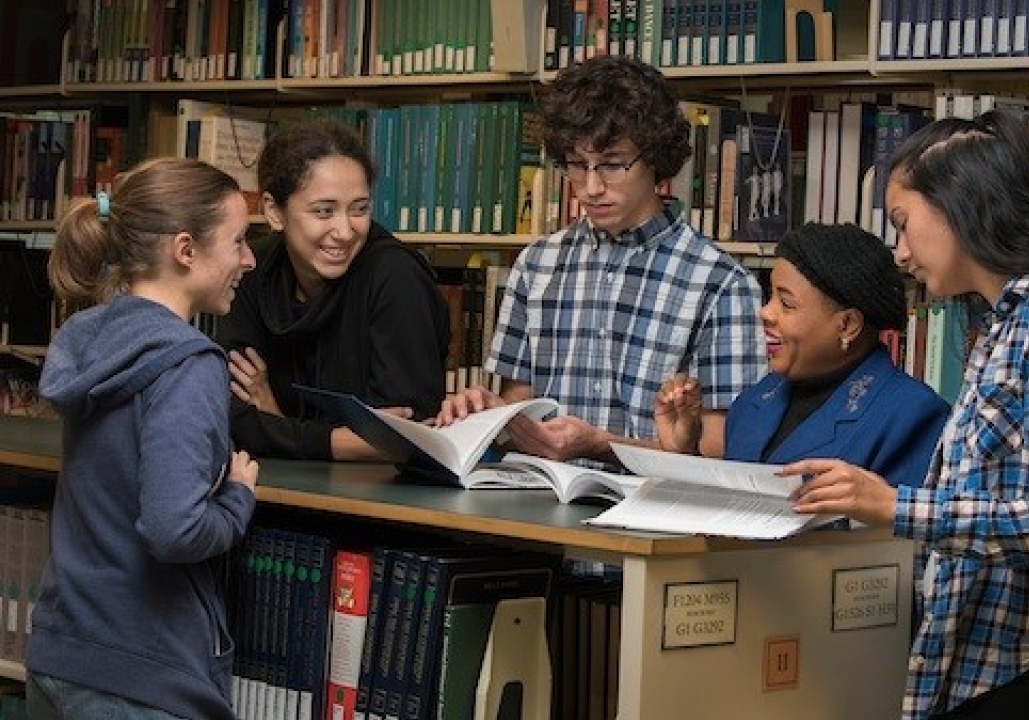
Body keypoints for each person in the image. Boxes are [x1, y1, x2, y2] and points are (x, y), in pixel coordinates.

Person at [786, 111, 1029, 720]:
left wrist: (895, 506)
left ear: (962, 206)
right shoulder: (1004, 326)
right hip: (979, 679)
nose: (901, 252)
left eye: (905, 224)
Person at [436, 55, 766, 464]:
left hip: (649, 515)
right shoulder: (536, 264)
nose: (590, 188)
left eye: (612, 165)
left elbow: (720, 455)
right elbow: (519, 410)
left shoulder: (721, 284)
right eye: (577, 165)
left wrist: (598, 445)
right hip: (536, 503)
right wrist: (488, 415)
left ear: (655, 160)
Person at [27, 158, 259, 720]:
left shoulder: (89, 340)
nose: (249, 260)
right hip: (142, 674)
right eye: (239, 241)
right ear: (186, 250)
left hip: (61, 653)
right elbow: (174, 530)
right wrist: (237, 497)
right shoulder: (188, 364)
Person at [216, 120, 451, 461]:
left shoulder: (396, 277)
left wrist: (276, 422)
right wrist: (341, 441)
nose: (344, 231)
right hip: (273, 488)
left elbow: (408, 435)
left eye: (360, 209)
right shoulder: (252, 268)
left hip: (385, 500)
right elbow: (230, 417)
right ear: (273, 211)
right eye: (323, 211)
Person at [655, 222, 949, 488]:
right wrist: (686, 454)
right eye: (770, 296)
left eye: (786, 303)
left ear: (847, 325)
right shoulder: (753, 402)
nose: (765, 313)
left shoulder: (913, 415)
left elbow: (896, 537)